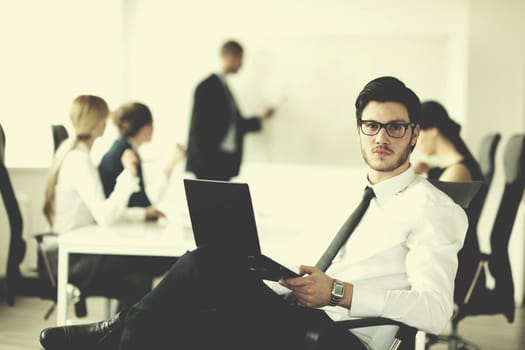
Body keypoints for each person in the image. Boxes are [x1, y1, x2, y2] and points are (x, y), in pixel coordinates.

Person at [39, 77, 468, 350]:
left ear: (414, 134)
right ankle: (124, 334)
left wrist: (337, 293)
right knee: (200, 289)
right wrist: (283, 276)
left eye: (395, 127)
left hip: (343, 338)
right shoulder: (350, 196)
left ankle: (116, 333)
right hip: (301, 316)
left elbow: (434, 310)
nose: (382, 137)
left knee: (204, 266)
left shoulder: (434, 210)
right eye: (372, 126)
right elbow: (318, 267)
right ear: (359, 131)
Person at [42, 95, 174, 312]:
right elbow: (104, 217)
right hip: (71, 257)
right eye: (104, 119)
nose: (107, 124)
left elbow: (97, 213)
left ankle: (122, 334)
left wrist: (141, 215)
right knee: (139, 272)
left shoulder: (73, 154)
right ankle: (124, 336)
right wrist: (129, 175)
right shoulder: (79, 160)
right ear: (97, 124)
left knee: (139, 271)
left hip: (73, 248)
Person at [414, 100, 486, 307]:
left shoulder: (458, 172)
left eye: (418, 133)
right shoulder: (450, 169)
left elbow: (429, 220)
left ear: (434, 131)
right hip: (451, 257)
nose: (416, 141)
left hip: (457, 265)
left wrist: (410, 177)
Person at [185, 39, 275, 181]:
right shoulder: (207, 87)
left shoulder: (225, 89)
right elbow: (199, 128)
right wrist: (200, 166)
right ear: (231, 56)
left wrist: (261, 117)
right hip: (209, 165)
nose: (242, 64)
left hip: (223, 164)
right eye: (241, 58)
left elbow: (236, 126)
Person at [98, 101, 185, 217]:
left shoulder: (120, 148)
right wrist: (172, 162)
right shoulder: (127, 155)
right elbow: (145, 203)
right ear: (147, 127)